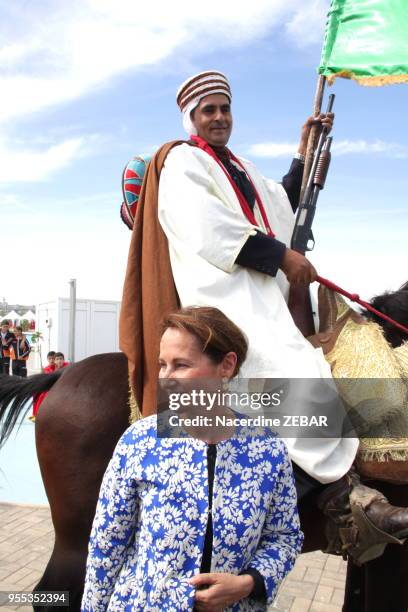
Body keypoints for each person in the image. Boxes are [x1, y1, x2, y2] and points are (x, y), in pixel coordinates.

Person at [154, 71, 408, 562]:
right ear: (192, 117)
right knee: (291, 366)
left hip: (262, 288)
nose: (220, 118)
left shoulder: (240, 166)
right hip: (224, 294)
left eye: (225, 109)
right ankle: (342, 501)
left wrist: (304, 151)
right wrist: (282, 257)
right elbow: (209, 227)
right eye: (209, 111)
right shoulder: (184, 163)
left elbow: (280, 204)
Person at [82, 307, 303, 611]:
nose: (166, 378)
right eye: (162, 365)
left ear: (226, 365)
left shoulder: (268, 449)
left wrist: (248, 583)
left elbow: (285, 538)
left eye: (181, 365)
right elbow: (107, 546)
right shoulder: (139, 442)